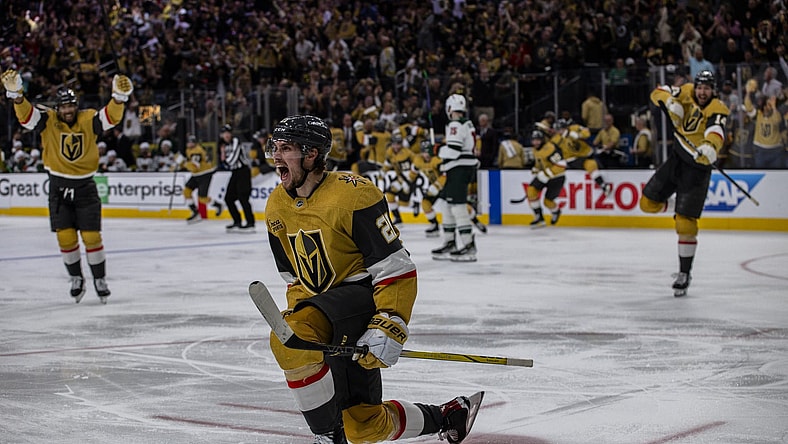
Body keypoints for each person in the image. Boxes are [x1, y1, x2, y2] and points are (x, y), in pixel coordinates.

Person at [262, 115, 482, 444]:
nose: (276, 156)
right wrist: (301, 314)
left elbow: (395, 267)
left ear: (311, 154)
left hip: (361, 299)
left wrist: (389, 321)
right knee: (364, 426)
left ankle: (326, 436)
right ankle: (448, 415)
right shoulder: (276, 205)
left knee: (288, 341)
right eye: (275, 148)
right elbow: (294, 277)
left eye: (286, 148)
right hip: (324, 309)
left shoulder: (353, 195)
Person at [2, 68, 134, 303]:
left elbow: (110, 118)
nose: (68, 110)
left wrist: (118, 99)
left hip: (85, 187)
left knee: (92, 237)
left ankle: (99, 279)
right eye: (63, 107)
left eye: (71, 106)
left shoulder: (88, 119)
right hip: (58, 188)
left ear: (76, 106)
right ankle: (76, 278)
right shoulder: (49, 120)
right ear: (58, 108)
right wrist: (18, 97)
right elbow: (27, 118)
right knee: (65, 238)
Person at [641, 69, 730, 297]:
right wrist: (670, 102)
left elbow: (716, 129)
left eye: (707, 88)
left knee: (685, 225)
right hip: (677, 159)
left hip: (697, 169)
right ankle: (675, 206)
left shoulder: (718, 108)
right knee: (646, 203)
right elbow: (657, 92)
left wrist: (710, 146)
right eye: (700, 87)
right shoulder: (686, 91)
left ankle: (684, 273)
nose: (702, 92)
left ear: (713, 90)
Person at [431, 94, 480, 262]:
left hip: (459, 168)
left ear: (449, 108)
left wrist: (436, 150)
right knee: (446, 205)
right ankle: (450, 242)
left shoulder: (455, 124)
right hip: (459, 169)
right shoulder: (466, 123)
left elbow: (453, 151)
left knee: (458, 207)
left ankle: (468, 245)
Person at [551, 118, 613, 196]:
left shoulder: (575, 128)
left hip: (587, 154)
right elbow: (552, 151)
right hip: (572, 159)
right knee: (589, 163)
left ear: (566, 127)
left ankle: (603, 185)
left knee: (592, 164)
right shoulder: (555, 140)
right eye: (558, 130)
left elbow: (587, 133)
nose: (560, 132)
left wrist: (579, 135)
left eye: (561, 129)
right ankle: (603, 185)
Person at [526, 129, 567, 227]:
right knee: (531, 190)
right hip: (545, 175)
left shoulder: (550, 148)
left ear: (542, 140)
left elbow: (561, 164)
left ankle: (556, 211)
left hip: (557, 178)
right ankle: (539, 218)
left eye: (538, 140)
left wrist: (547, 174)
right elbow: (540, 163)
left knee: (547, 202)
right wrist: (536, 169)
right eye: (533, 140)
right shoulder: (535, 149)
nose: (535, 142)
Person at [219, 124, 255, 232]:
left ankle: (250, 223)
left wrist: (224, 158)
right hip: (235, 172)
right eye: (224, 133)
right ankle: (237, 221)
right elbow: (225, 163)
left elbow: (231, 160)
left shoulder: (236, 141)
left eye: (228, 133)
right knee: (228, 198)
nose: (226, 135)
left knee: (243, 198)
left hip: (243, 172)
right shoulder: (224, 145)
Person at [181, 135, 221, 223]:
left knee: (202, 198)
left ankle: (217, 205)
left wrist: (183, 164)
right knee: (186, 191)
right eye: (188, 142)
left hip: (205, 174)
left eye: (191, 142)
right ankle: (195, 212)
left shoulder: (197, 151)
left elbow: (195, 167)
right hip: (196, 175)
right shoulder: (189, 150)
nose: (189, 144)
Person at [381, 132, 417, 224]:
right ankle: (397, 217)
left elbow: (416, 165)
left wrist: (409, 180)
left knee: (404, 203)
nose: (396, 146)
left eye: (398, 144)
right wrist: (383, 171)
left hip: (409, 178)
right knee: (389, 195)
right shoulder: (390, 152)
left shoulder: (407, 153)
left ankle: (415, 205)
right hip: (400, 178)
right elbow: (388, 163)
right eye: (394, 144)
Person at [413, 140, 444, 237]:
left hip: (446, 187)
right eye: (424, 152)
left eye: (428, 152)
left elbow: (446, 175)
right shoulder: (418, 160)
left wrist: (437, 185)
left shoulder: (437, 160)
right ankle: (434, 224)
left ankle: (474, 220)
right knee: (425, 203)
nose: (426, 154)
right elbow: (413, 172)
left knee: (456, 207)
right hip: (435, 187)